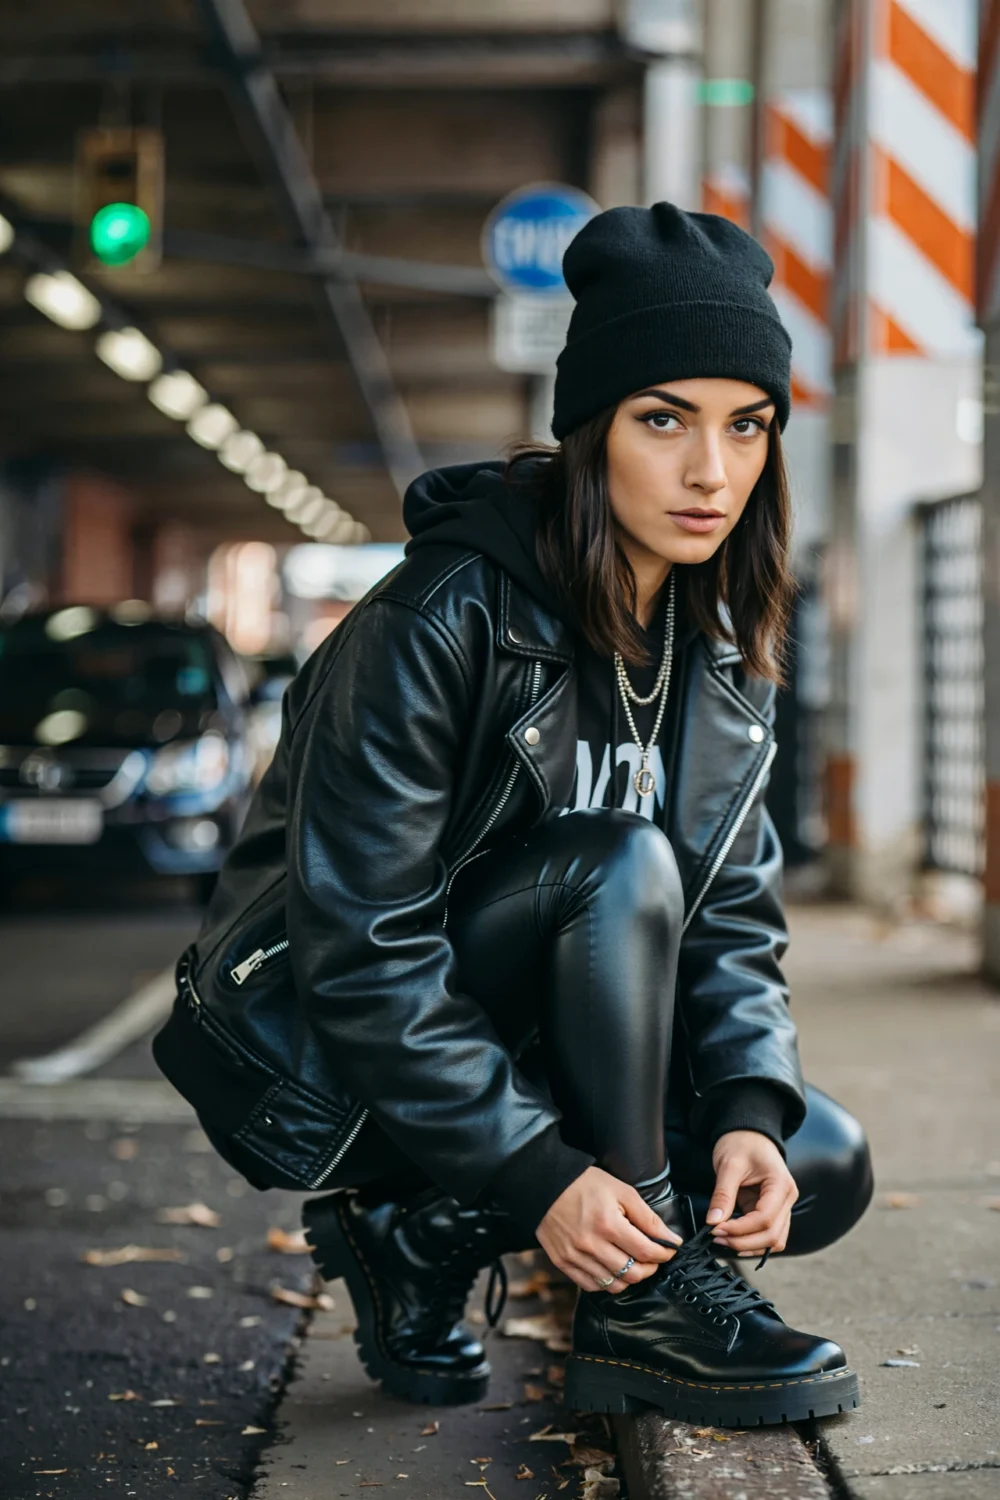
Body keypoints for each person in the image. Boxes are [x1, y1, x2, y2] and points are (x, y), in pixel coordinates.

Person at [154, 202, 874, 1428]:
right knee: (614, 863)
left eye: (746, 427)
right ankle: (640, 1305)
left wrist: (751, 1102)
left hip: (535, 1056)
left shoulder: (717, 649)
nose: (712, 472)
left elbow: (731, 927)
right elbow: (363, 952)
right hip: (332, 1050)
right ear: (591, 434)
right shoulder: (436, 620)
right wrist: (544, 1174)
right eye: (665, 421)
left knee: (817, 1162)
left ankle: (421, 1230)